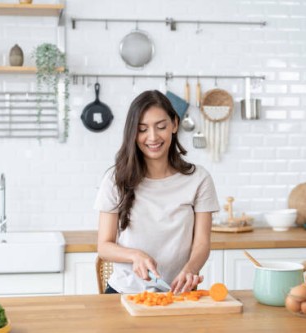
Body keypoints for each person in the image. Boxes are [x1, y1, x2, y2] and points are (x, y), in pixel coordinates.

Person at [94, 90, 220, 294]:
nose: (152, 137)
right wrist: (135, 255)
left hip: (179, 294)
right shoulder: (115, 179)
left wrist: (191, 269)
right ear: (132, 133)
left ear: (174, 125)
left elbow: (202, 243)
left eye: (161, 127)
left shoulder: (199, 179)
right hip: (125, 293)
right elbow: (104, 246)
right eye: (142, 129)